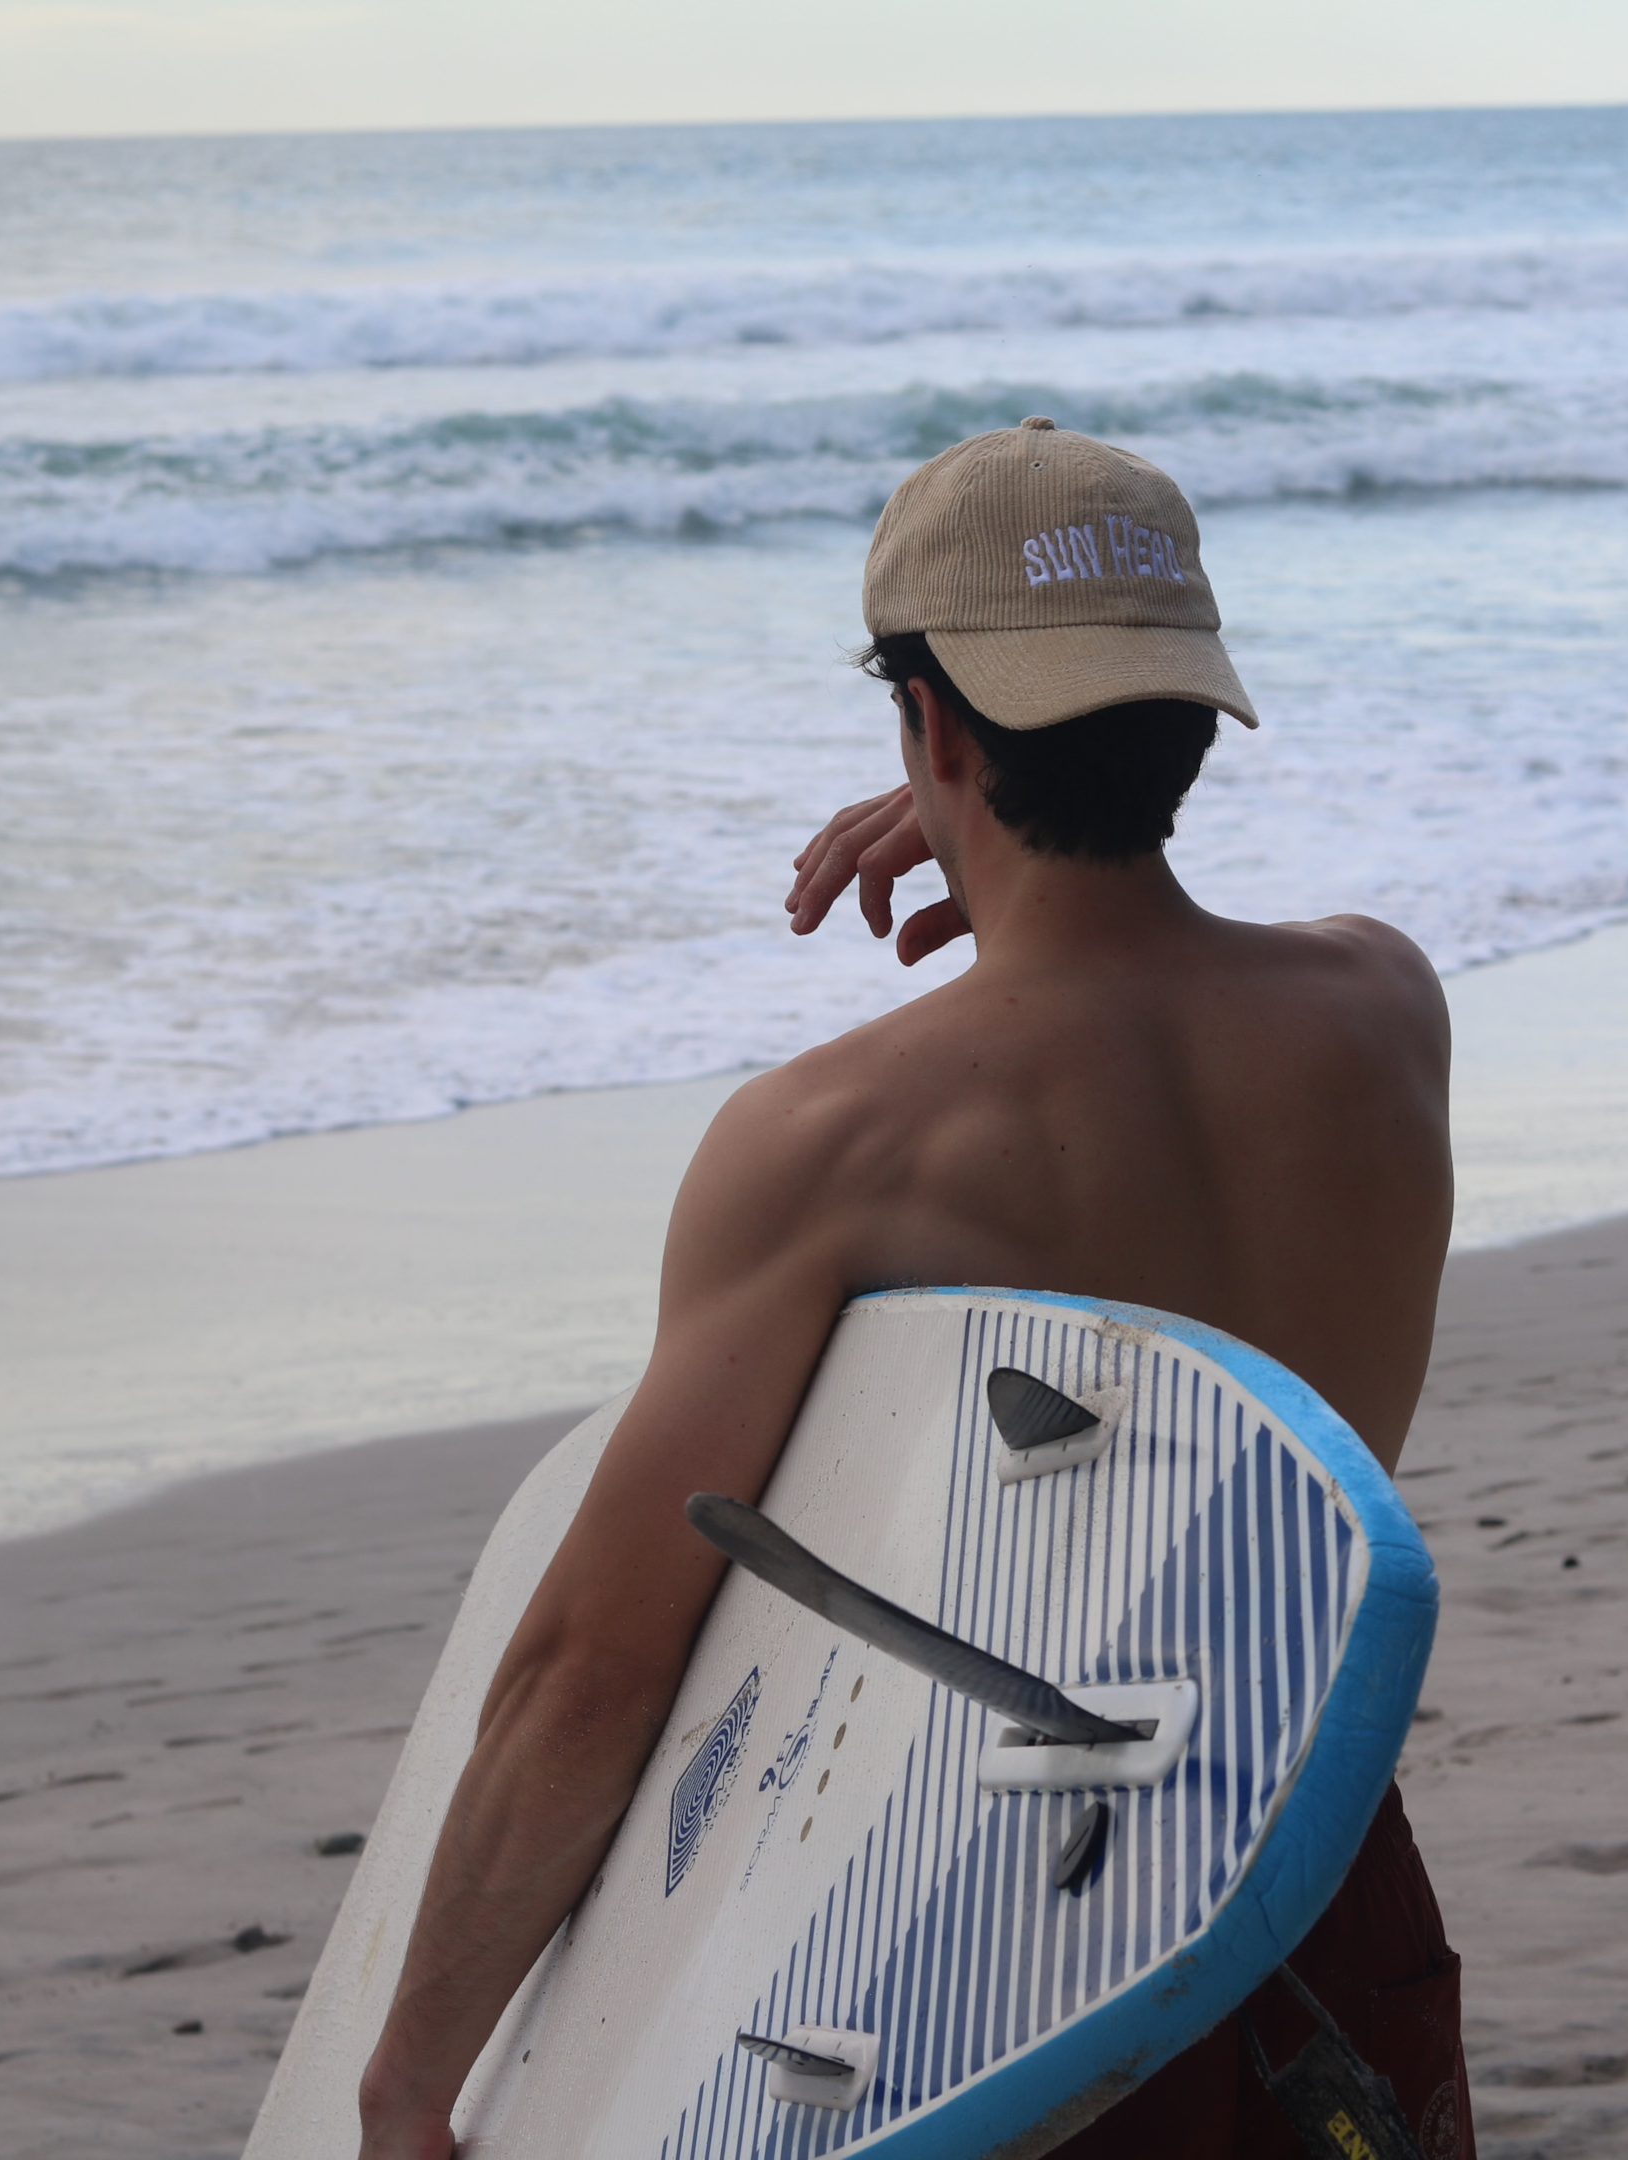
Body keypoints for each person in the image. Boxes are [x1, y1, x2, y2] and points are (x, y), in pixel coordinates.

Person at [352, 417, 1469, 2160]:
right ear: (1196, 711)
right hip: (1322, 1869)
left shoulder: (840, 1137)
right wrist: (1002, 828)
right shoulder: (1386, 1006)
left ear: (928, 725)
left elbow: (594, 1664)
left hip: (990, 1957)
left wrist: (411, 2075)